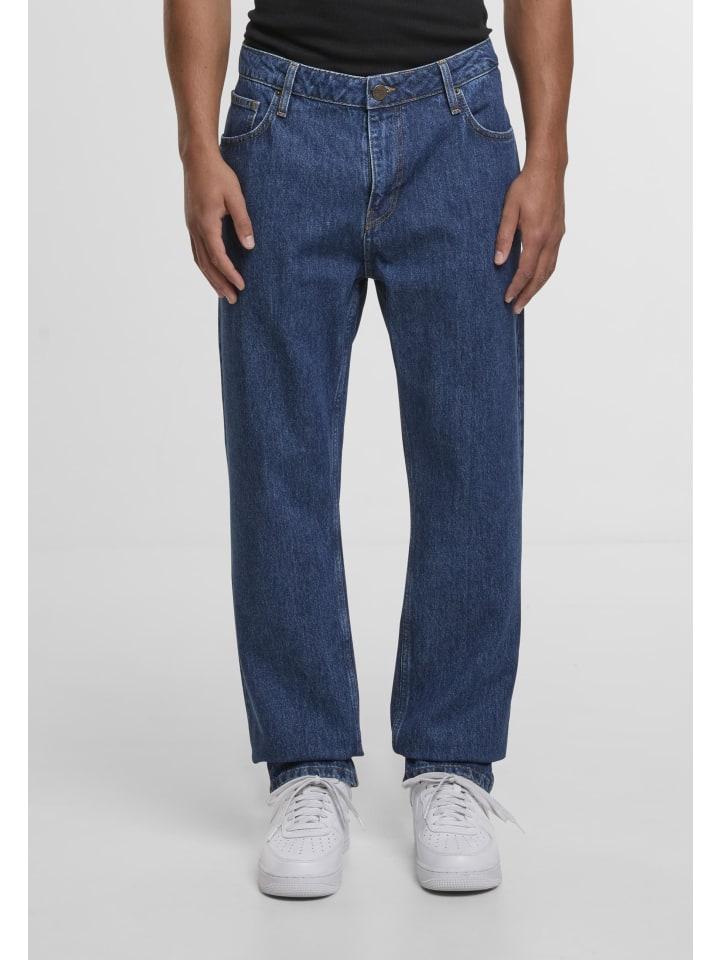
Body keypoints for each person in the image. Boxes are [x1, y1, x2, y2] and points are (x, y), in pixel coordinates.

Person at [164, 0, 572, 897]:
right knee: (279, 462)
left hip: (457, 122)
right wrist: (196, 148)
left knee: (472, 459)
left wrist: (549, 154)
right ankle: (306, 766)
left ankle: (453, 763)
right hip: (281, 123)